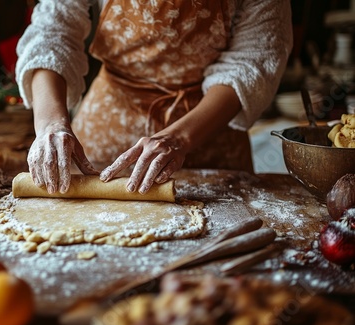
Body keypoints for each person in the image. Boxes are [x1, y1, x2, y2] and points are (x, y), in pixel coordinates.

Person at [15, 0, 293, 195]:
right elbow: (52, 33)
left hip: (209, 128)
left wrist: (180, 138)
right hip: (108, 126)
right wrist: (51, 123)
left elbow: (252, 62)